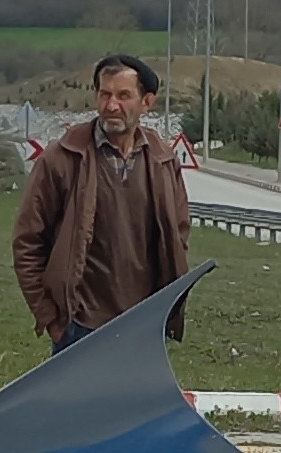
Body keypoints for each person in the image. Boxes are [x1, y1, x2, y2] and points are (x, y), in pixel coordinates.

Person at [10, 52, 193, 349]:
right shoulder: (63, 158)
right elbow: (28, 242)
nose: (111, 106)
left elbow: (178, 236)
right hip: (78, 328)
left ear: (147, 102)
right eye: (104, 94)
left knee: (137, 398)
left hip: (143, 327)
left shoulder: (163, 161)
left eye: (123, 96)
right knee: (76, 398)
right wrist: (52, 320)